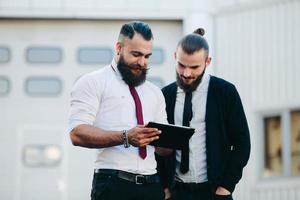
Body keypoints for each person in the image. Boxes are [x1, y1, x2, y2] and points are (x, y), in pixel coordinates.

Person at [68, 21, 168, 200]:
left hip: (152, 186)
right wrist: (126, 137)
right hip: (113, 185)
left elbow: (162, 150)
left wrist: (172, 141)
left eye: (147, 56)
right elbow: (77, 133)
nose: (142, 62)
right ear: (119, 48)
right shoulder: (93, 82)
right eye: (136, 54)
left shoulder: (155, 93)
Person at [156, 28, 251, 200]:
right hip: (176, 192)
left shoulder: (225, 92)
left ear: (208, 61)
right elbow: (157, 145)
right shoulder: (165, 96)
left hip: (215, 192)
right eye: (181, 65)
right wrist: (164, 187)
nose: (186, 73)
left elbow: (242, 142)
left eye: (194, 67)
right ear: (174, 57)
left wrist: (226, 186)